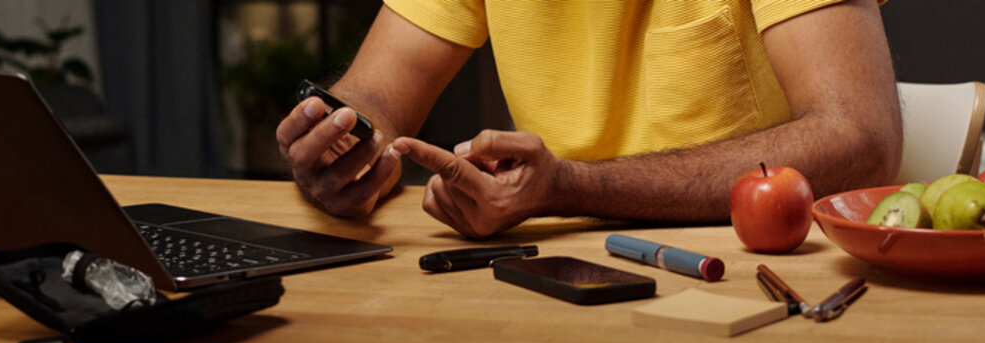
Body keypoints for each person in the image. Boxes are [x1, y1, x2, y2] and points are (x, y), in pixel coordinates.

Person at [276, 0, 902, 238]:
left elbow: (860, 136)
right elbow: (378, 95)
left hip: (748, 276)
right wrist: (340, 143)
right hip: (555, 268)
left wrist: (570, 187)